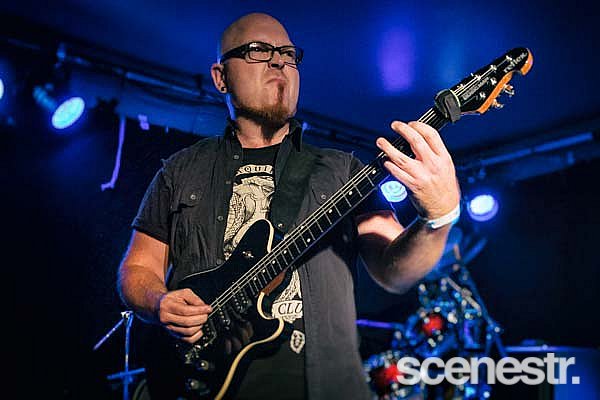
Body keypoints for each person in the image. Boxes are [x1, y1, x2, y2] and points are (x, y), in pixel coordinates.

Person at [117, 12, 460, 400]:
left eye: (287, 53)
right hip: (199, 383)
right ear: (220, 77)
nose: (278, 61)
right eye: (258, 50)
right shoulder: (181, 170)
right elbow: (137, 269)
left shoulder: (343, 172)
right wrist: (160, 302)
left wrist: (438, 217)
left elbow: (395, 273)